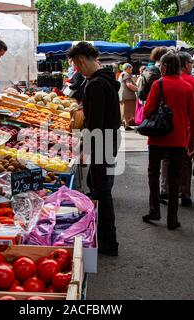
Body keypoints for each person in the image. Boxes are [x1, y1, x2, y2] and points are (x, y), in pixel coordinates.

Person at [67, 42, 121, 256]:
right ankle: (103, 236)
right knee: (100, 186)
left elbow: (95, 123)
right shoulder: (106, 79)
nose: (76, 70)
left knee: (102, 191)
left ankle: (109, 241)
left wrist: (83, 148)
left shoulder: (96, 84)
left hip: (102, 141)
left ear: (81, 60)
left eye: (76, 66)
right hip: (110, 139)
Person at [142, 51, 194, 230]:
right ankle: (172, 218)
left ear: (165, 66)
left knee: (153, 173)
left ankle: (154, 209)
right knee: (175, 179)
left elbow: (147, 112)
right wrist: (192, 141)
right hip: (179, 140)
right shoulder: (188, 87)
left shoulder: (158, 85)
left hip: (157, 138)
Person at [158, 52, 194, 207]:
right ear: (184, 64)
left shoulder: (162, 82)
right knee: (185, 161)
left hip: (165, 129)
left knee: (166, 159)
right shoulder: (192, 82)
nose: (192, 65)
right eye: (191, 62)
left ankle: (165, 189)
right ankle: (184, 193)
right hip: (185, 129)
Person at [118, 63, 138, 130]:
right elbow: (129, 84)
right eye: (131, 69)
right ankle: (126, 124)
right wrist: (138, 89)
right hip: (127, 96)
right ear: (127, 68)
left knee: (124, 110)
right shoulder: (126, 74)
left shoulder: (121, 74)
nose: (131, 70)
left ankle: (126, 124)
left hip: (123, 96)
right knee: (128, 110)